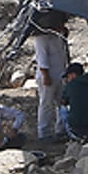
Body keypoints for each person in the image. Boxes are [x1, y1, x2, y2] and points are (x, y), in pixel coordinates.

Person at [30, 10, 69, 140]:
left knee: (62, 103)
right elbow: (42, 58)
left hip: (60, 74)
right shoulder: (41, 39)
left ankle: (61, 129)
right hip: (48, 76)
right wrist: (46, 75)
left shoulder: (59, 36)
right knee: (46, 104)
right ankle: (44, 132)